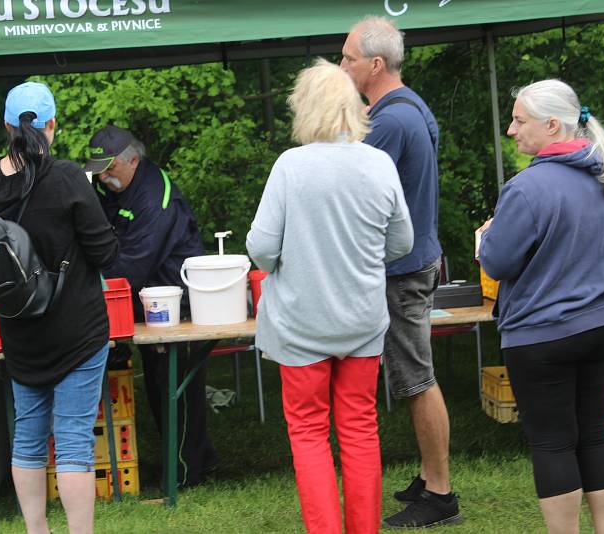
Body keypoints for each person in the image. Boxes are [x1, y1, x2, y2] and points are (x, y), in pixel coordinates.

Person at [246, 59, 414, 534]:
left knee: (308, 433)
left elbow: (260, 247)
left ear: (304, 110)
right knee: (360, 430)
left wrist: (291, 258)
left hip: (301, 326)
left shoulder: (291, 166)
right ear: (351, 107)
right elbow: (401, 243)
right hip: (362, 321)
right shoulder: (378, 163)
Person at [478, 79, 604, 534]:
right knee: (595, 435)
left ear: (551, 125)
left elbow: (499, 261)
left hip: (542, 334)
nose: (510, 130)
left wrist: (487, 237)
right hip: (603, 323)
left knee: (553, 444)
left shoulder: (528, 188)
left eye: (519, 120)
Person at [0, 82, 119, 534]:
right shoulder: (68, 177)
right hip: (77, 332)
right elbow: (105, 254)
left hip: (21, 336)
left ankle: (37, 531)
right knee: (74, 442)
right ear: (52, 125)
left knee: (29, 442)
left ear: (6, 127)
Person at [341, 16, 460, 528]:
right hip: (416, 260)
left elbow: (351, 190)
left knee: (416, 379)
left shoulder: (389, 121)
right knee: (414, 376)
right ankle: (429, 475)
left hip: (402, 271)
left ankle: (439, 494)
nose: (340, 65)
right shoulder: (410, 105)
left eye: (346, 58)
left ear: (373, 64)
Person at [83, 125, 216, 487]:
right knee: (160, 385)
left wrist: (89, 283)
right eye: (98, 171)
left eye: (109, 170)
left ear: (133, 160)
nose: (103, 178)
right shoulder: (116, 185)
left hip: (178, 303)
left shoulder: (155, 197)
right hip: (148, 301)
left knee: (177, 387)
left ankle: (187, 473)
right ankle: (191, 459)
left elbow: (132, 264)